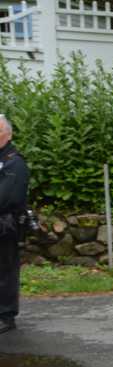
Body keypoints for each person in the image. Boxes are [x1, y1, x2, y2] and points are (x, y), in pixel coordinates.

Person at [0, 114, 30, 335]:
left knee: (5, 270)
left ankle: (6, 316)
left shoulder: (14, 161)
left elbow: (8, 196)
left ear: (7, 134)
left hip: (6, 224)